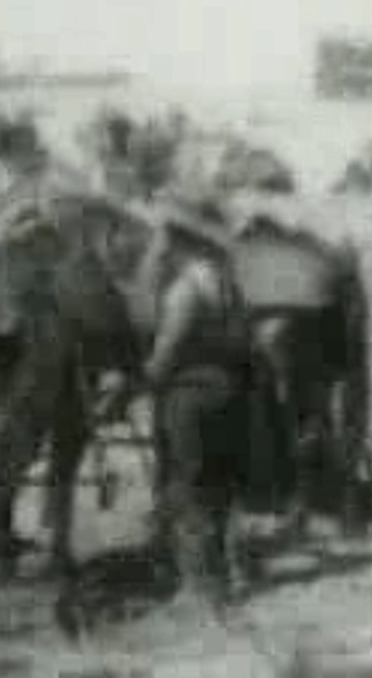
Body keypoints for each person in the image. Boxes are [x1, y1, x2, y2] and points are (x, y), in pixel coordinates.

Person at [115, 190, 251, 615]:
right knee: (222, 488)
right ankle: (229, 573)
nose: (160, 244)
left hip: (188, 398)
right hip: (229, 393)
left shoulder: (184, 291)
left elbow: (164, 357)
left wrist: (128, 391)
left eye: (166, 237)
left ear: (180, 239)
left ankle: (199, 587)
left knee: (189, 485)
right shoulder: (227, 282)